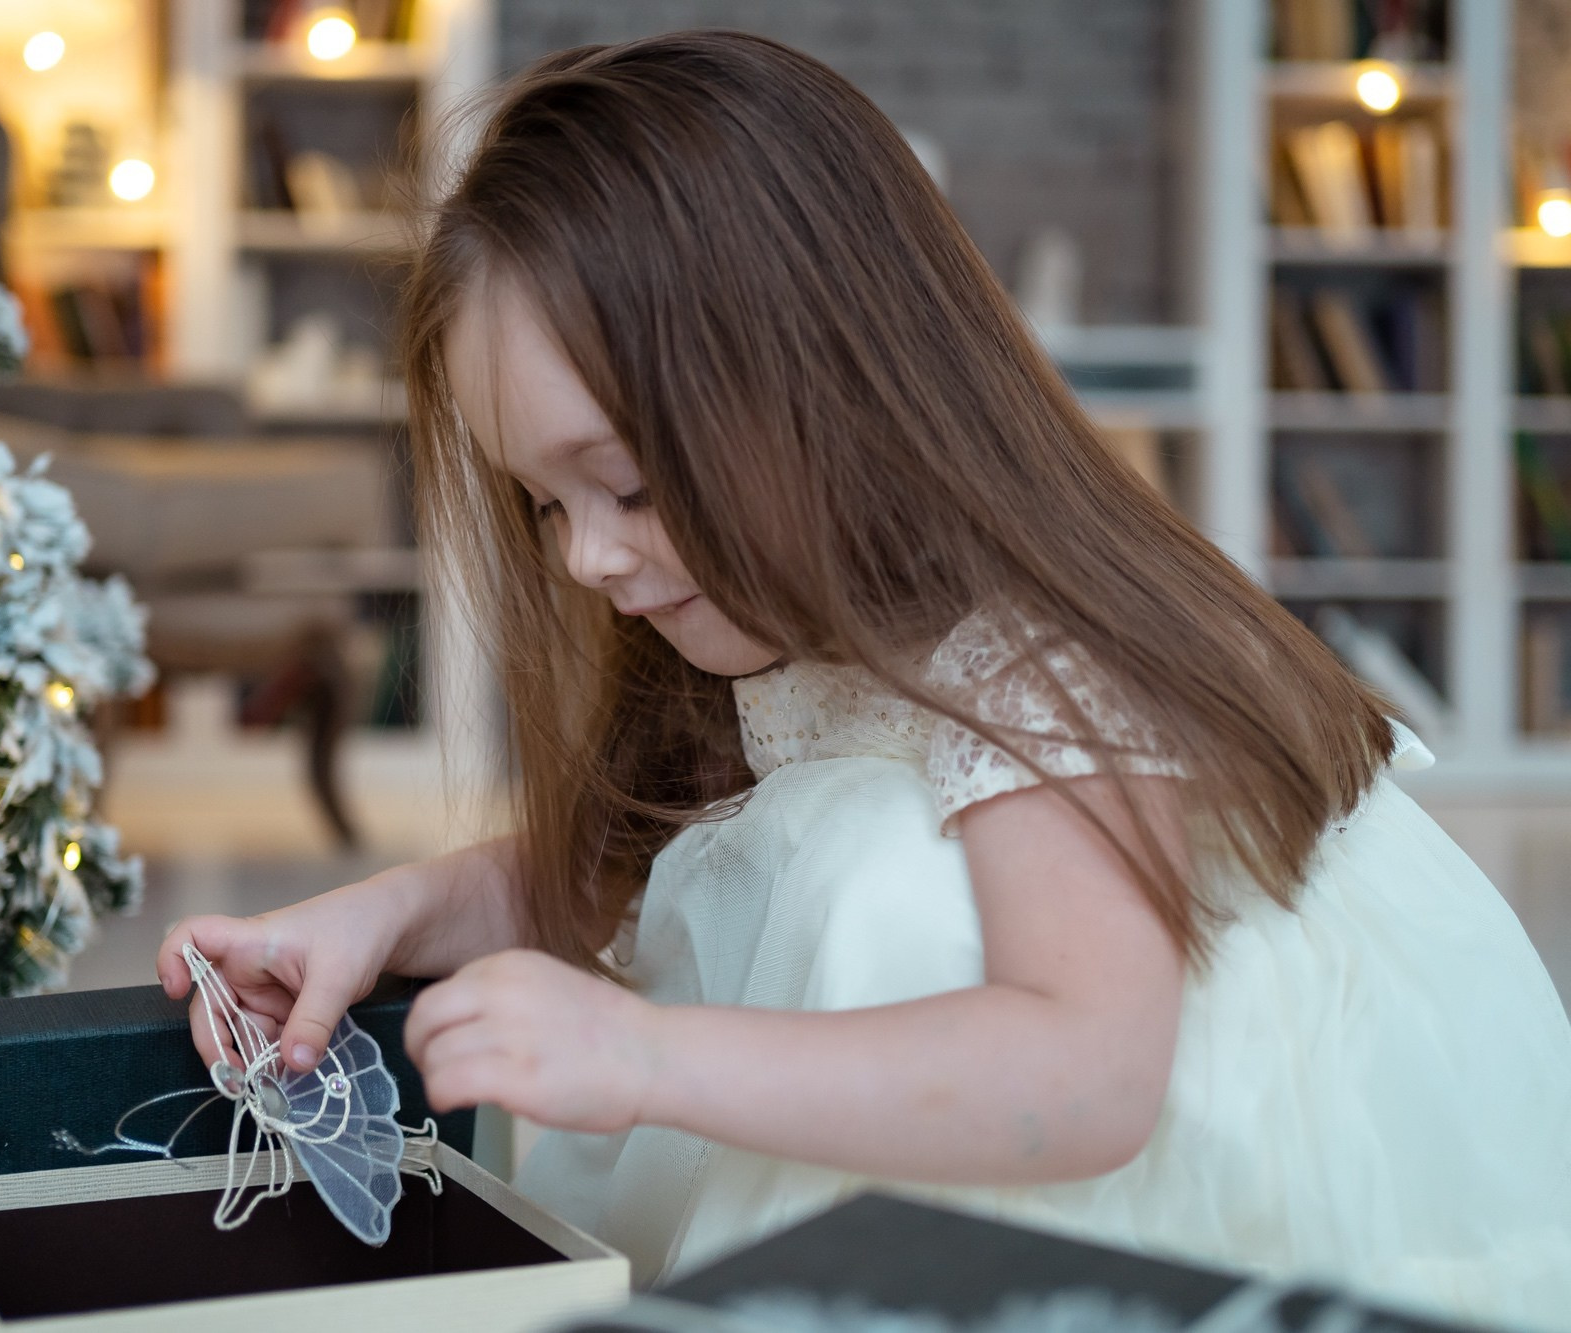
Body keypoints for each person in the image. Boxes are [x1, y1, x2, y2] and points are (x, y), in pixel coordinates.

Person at [158, 31, 1571, 1326]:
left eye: (629, 485)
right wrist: (388, 912)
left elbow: (1087, 1076)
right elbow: (629, 877)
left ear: (826, 383)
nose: (585, 555)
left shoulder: (1039, 654)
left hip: (1208, 1172)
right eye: (544, 503)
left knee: (871, 871)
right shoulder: (760, 618)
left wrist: (647, 1055)